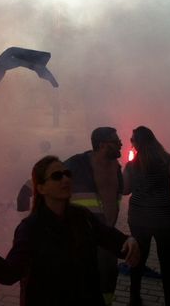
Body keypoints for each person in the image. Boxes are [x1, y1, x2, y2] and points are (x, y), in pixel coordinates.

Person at [0, 155, 140, 306]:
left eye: (67, 174)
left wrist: (127, 241)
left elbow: (108, 236)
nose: (65, 179)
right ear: (41, 188)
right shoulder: (30, 228)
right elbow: (11, 273)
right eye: (57, 176)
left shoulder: (81, 216)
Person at [123, 126, 170, 306]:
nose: (131, 143)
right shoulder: (166, 159)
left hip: (138, 218)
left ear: (139, 142)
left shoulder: (132, 165)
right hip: (164, 219)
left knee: (138, 259)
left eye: (132, 140)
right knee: (167, 261)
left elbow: (125, 190)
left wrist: (123, 172)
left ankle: (134, 298)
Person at [64, 127, 123, 305]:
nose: (121, 144)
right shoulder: (78, 163)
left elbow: (121, 191)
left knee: (108, 276)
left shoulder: (116, 167)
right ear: (103, 145)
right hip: (80, 237)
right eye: (116, 141)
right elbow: (48, 176)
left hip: (107, 235)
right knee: (81, 279)